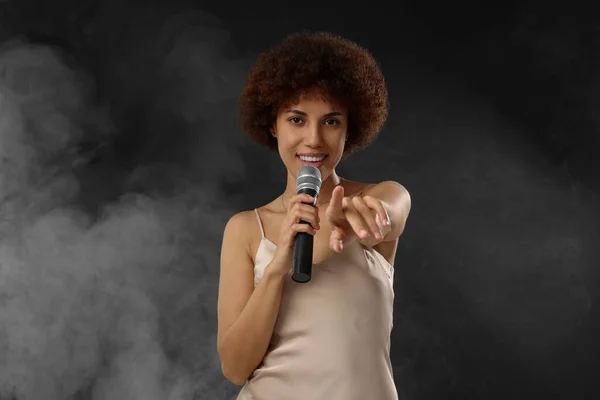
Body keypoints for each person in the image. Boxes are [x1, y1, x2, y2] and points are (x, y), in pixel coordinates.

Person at [217, 31, 411, 400]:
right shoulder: (245, 229)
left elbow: (387, 215)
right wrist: (276, 269)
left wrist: (351, 224)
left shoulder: (376, 198)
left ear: (349, 128)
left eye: (331, 121)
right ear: (273, 125)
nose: (314, 140)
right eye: (297, 119)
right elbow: (236, 367)